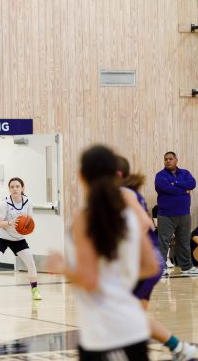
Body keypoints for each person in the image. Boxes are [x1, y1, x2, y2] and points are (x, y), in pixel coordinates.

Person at [47, 145, 159, 360]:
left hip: (104, 334)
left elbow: (89, 280)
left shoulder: (83, 219)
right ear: (116, 175)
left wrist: (61, 267)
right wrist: (119, 280)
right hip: (134, 327)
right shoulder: (128, 217)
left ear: (81, 176)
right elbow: (151, 266)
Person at [116, 156, 197, 361]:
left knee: (128, 314)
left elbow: (145, 224)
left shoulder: (123, 193)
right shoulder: (129, 191)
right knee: (131, 314)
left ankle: (173, 348)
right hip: (146, 261)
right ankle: (178, 348)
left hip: (145, 262)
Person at [155, 152, 198, 275]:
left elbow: (192, 184)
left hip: (184, 214)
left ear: (176, 160)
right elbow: (167, 189)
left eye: (170, 159)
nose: (168, 161)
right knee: (164, 242)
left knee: (184, 241)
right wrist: (183, 189)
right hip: (166, 215)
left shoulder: (185, 173)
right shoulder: (160, 176)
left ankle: (187, 267)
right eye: (165, 159)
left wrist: (176, 183)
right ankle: (161, 268)